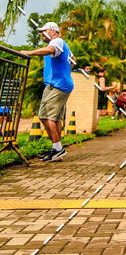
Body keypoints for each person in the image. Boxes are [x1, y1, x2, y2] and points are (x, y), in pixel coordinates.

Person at [22, 21, 75, 163]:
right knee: (52, 117)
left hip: (58, 86)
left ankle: (58, 149)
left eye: (43, 31)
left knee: (47, 117)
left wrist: (29, 52)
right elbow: (73, 60)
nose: (41, 34)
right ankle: (57, 149)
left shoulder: (57, 41)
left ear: (52, 31)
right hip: (57, 84)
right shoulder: (60, 44)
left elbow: (49, 50)